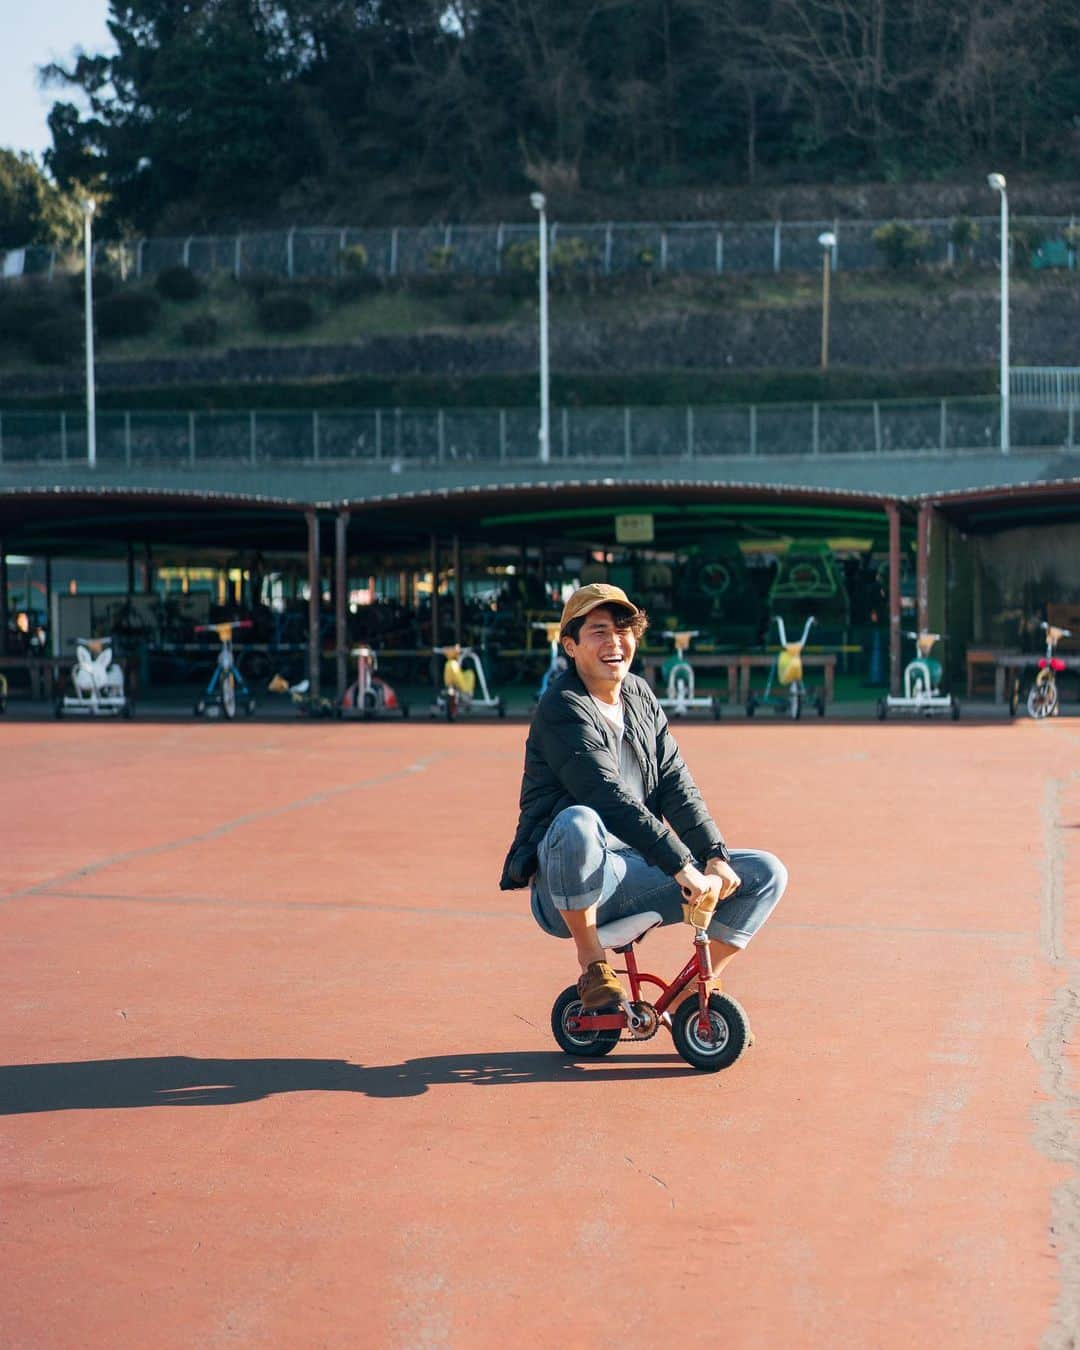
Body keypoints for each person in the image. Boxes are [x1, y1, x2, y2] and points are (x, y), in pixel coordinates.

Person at [500, 583, 787, 1014]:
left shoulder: (639, 694)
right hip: (566, 886)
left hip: (631, 869)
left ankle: (696, 990)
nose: (615, 641)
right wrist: (680, 865)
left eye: (623, 629)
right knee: (578, 820)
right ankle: (592, 963)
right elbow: (607, 797)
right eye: (598, 631)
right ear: (570, 645)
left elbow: (675, 781)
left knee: (764, 872)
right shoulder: (562, 706)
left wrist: (711, 854)